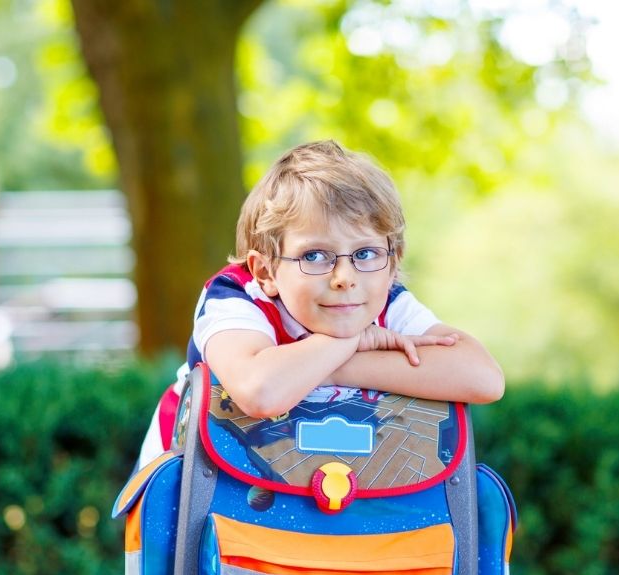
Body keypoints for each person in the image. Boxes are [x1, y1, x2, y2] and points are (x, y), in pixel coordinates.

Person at [138, 139, 504, 468]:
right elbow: (262, 392)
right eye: (314, 256)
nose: (345, 277)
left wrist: (334, 366)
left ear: (393, 263)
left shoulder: (382, 297)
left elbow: (483, 378)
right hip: (200, 490)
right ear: (265, 271)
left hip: (325, 497)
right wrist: (351, 340)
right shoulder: (236, 298)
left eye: (365, 252)